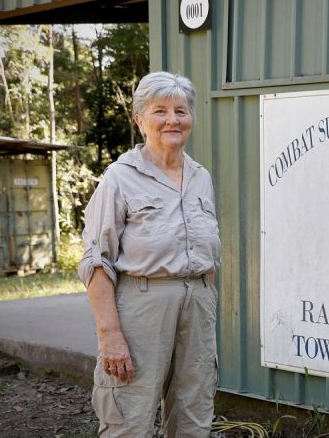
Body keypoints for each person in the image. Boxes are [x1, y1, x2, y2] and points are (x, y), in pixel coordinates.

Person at [79, 71, 221, 437]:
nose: (172, 119)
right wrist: (110, 334)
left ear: (191, 118)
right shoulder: (119, 177)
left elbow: (207, 251)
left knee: (195, 407)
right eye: (160, 111)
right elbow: (96, 261)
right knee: (130, 412)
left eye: (181, 110)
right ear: (140, 120)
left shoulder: (201, 177)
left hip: (199, 305)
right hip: (142, 306)